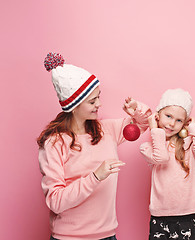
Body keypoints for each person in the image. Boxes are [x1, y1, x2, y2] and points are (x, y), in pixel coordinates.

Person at [37, 52, 151, 240]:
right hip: (69, 237)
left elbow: (144, 124)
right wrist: (96, 176)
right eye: (92, 101)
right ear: (74, 105)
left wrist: (135, 109)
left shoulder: (107, 129)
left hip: (108, 236)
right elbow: (55, 200)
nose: (99, 104)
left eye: (98, 97)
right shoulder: (55, 142)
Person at [140, 88, 195, 240]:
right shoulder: (148, 148)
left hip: (188, 215)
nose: (172, 124)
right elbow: (161, 158)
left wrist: (192, 126)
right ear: (157, 116)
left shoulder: (187, 144)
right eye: (168, 116)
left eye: (179, 120)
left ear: (184, 123)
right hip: (160, 216)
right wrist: (153, 128)